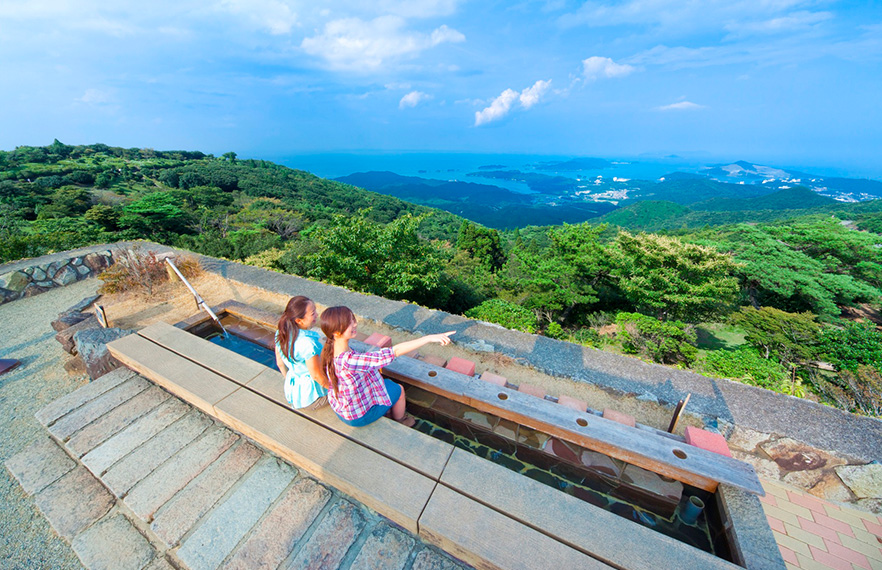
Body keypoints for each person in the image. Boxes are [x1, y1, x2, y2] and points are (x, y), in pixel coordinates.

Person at [319, 306, 454, 427]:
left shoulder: (331, 348)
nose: (355, 323)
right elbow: (393, 352)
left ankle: (388, 410)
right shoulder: (349, 361)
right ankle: (401, 420)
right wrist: (428, 338)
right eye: (349, 322)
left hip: (342, 408)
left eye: (352, 319)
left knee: (386, 383)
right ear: (336, 332)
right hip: (357, 416)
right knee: (399, 390)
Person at [275, 296, 329, 410]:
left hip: (294, 393)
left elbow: (280, 363)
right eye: (313, 313)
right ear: (299, 320)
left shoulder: (281, 333)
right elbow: (316, 376)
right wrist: (336, 390)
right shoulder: (307, 344)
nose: (317, 315)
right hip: (312, 398)